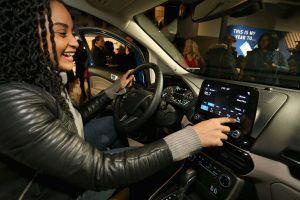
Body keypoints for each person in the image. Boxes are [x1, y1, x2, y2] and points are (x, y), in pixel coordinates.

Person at [0, 0, 236, 199]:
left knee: (113, 123)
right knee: (146, 171)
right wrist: (190, 138)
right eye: (62, 33)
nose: (75, 42)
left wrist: (112, 91)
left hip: (60, 165)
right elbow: (98, 170)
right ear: (27, 37)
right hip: (50, 192)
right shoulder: (14, 101)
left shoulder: (39, 80)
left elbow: (74, 118)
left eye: (72, 32)